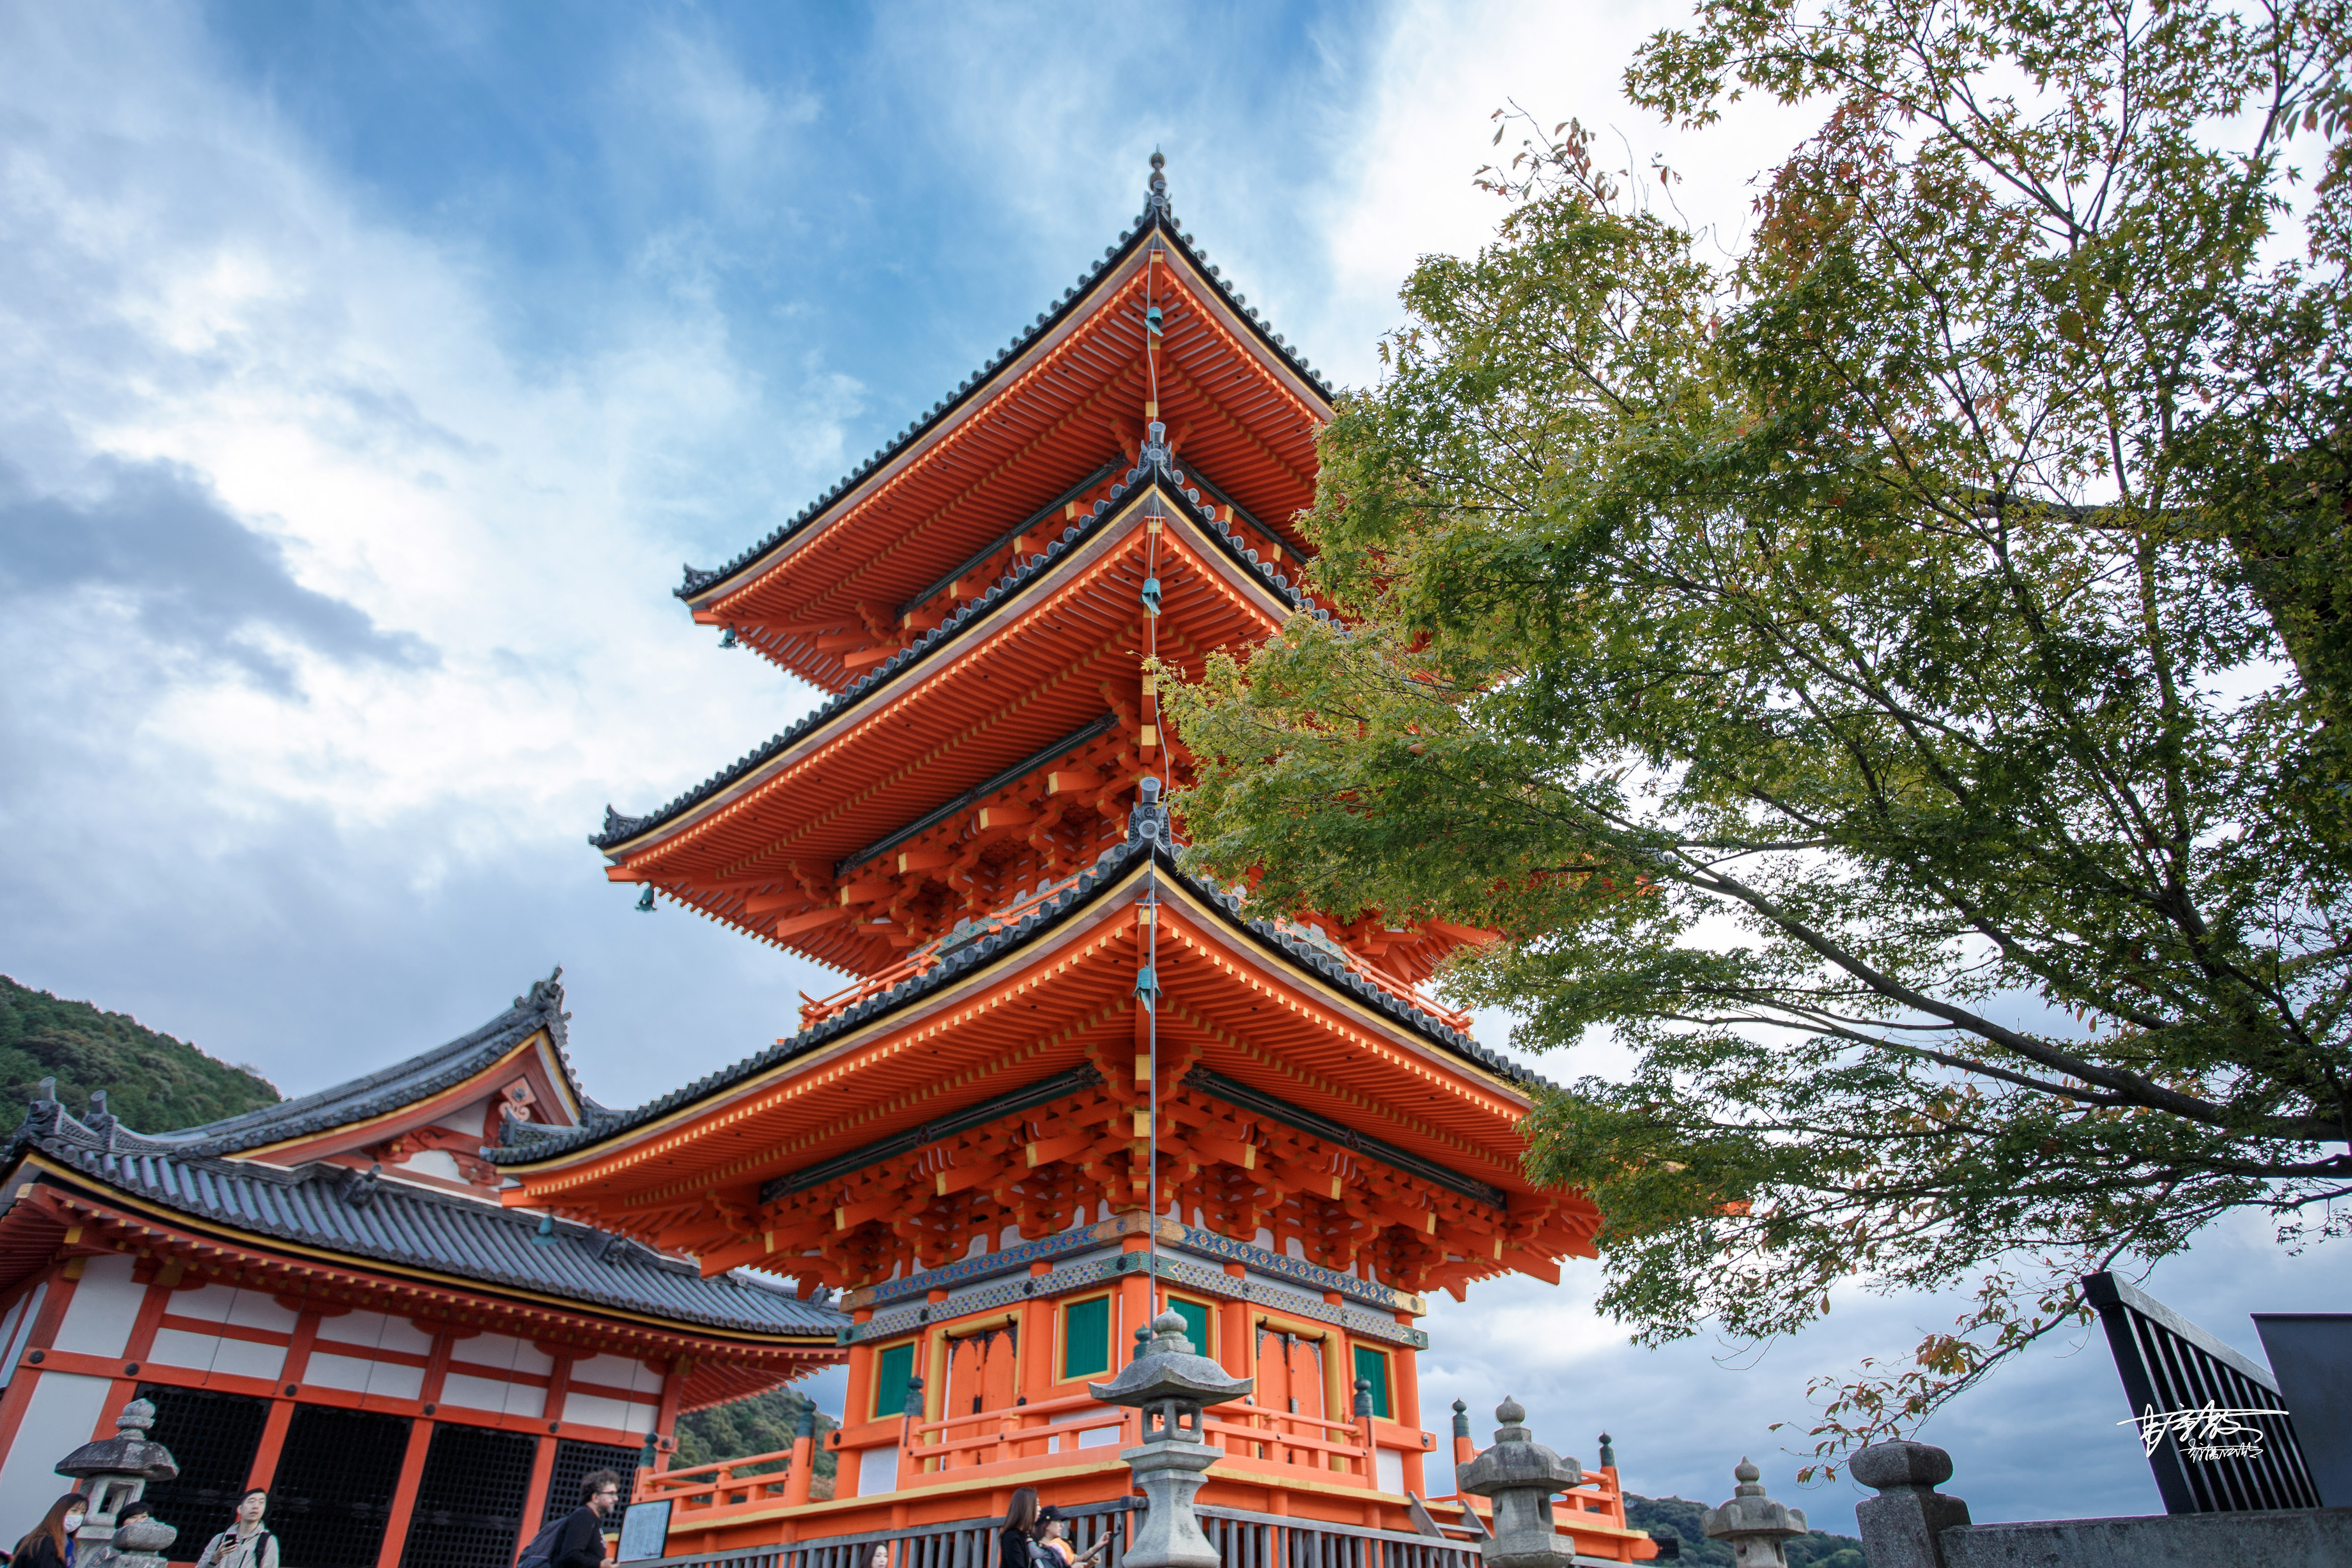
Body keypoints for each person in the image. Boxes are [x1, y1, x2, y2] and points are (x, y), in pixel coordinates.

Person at [551, 1470, 623, 1568]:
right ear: (596, 1497)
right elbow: (570, 1556)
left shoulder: (591, 1519)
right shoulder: (584, 1516)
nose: (616, 1499)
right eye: (611, 1494)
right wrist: (600, 1565)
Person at [190, 1489, 275, 1568]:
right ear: (240, 1509)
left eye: (261, 1503)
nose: (256, 1506)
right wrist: (215, 1558)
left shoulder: (268, 1541)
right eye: (251, 1501)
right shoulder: (220, 1539)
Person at [13, 1494, 87, 1568]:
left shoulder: (67, 1544)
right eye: (74, 1511)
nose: (79, 1516)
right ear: (60, 1512)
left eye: (83, 1513)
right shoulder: (45, 1542)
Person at [997, 1487, 1039, 1568]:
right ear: (1027, 1507)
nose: (1040, 1509)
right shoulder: (1011, 1537)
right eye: (1037, 1504)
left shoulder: (1029, 1536)